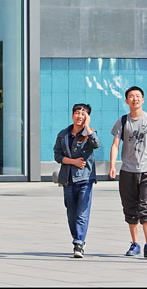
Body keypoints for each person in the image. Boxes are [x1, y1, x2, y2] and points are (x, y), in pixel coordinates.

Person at [109, 86, 147, 258]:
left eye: (138, 96)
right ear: (126, 101)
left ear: (143, 100)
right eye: (131, 96)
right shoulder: (122, 121)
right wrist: (112, 166)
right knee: (130, 208)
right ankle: (135, 243)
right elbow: (115, 144)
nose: (134, 99)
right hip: (128, 171)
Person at [53, 103, 100, 258]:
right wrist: (73, 162)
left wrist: (88, 127)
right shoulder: (63, 135)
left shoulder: (90, 133)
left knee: (82, 213)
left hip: (85, 179)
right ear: (72, 115)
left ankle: (79, 243)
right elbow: (57, 155)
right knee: (71, 213)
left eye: (83, 113)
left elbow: (96, 144)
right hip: (67, 179)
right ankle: (77, 238)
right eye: (77, 113)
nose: (80, 116)